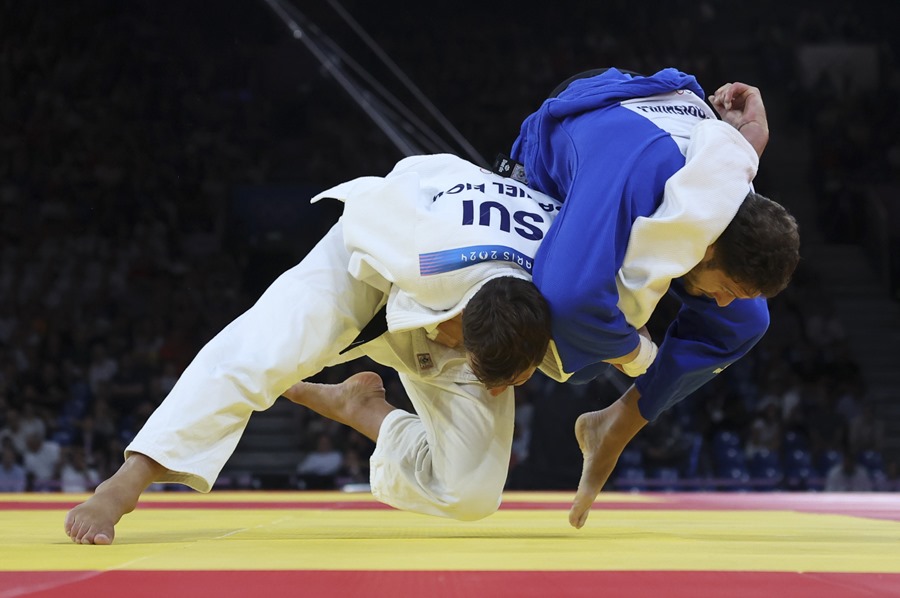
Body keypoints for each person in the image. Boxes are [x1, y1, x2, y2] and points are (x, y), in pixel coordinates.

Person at [64, 153, 561, 544]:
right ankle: (126, 481)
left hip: (483, 308)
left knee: (470, 493)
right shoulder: (408, 245)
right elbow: (388, 191)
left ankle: (362, 407)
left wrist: (637, 361)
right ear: (456, 319)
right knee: (261, 350)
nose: (498, 391)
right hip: (370, 272)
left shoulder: (572, 289)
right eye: (491, 375)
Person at [508, 67, 800, 527]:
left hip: (654, 126)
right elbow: (569, 303)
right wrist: (638, 354)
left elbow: (731, 170)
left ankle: (615, 425)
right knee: (575, 361)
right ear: (706, 244)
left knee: (746, 321)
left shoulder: (732, 178)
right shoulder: (629, 182)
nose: (723, 301)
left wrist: (750, 136)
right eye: (726, 287)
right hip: (585, 123)